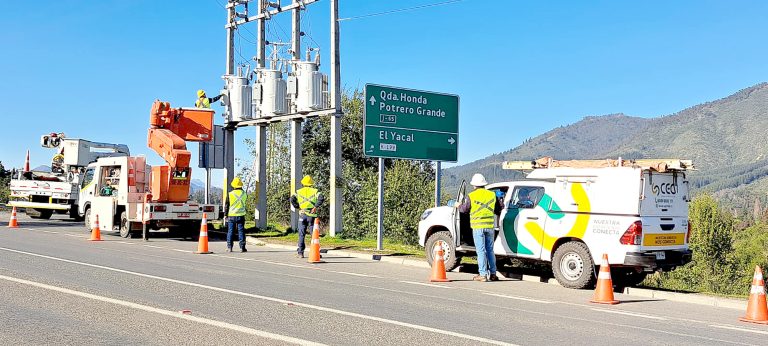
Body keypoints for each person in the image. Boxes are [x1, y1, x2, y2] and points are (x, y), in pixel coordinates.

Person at [458, 173, 502, 282]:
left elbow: (464, 210)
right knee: (490, 251)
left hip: (478, 227)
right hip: (490, 227)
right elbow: (499, 209)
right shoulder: (492, 195)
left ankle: (482, 274)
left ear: (474, 185)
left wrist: (457, 205)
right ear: (484, 184)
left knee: (481, 250)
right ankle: (493, 274)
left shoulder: (471, 196)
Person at [290, 175, 324, 258]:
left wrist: (298, 207)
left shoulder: (298, 192)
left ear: (303, 183)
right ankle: (316, 252)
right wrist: (315, 207)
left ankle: (300, 253)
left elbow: (292, 199)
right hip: (312, 216)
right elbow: (321, 198)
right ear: (311, 183)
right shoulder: (316, 191)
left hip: (302, 215)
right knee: (314, 235)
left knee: (301, 234)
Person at [226, 177, 248, 252]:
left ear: (234, 186)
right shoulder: (244, 194)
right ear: (241, 185)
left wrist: (225, 215)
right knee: (241, 231)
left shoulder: (230, 194)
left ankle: (230, 247)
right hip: (241, 215)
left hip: (231, 215)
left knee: (230, 231)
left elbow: (227, 205)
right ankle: (242, 247)